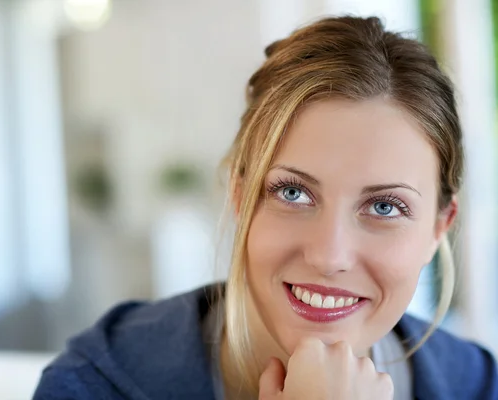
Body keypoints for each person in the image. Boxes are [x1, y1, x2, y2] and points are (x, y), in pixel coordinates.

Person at [33, 16, 498, 399]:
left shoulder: (476, 385)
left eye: (384, 206)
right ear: (240, 196)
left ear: (439, 229)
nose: (329, 256)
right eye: (293, 193)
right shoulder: (97, 385)